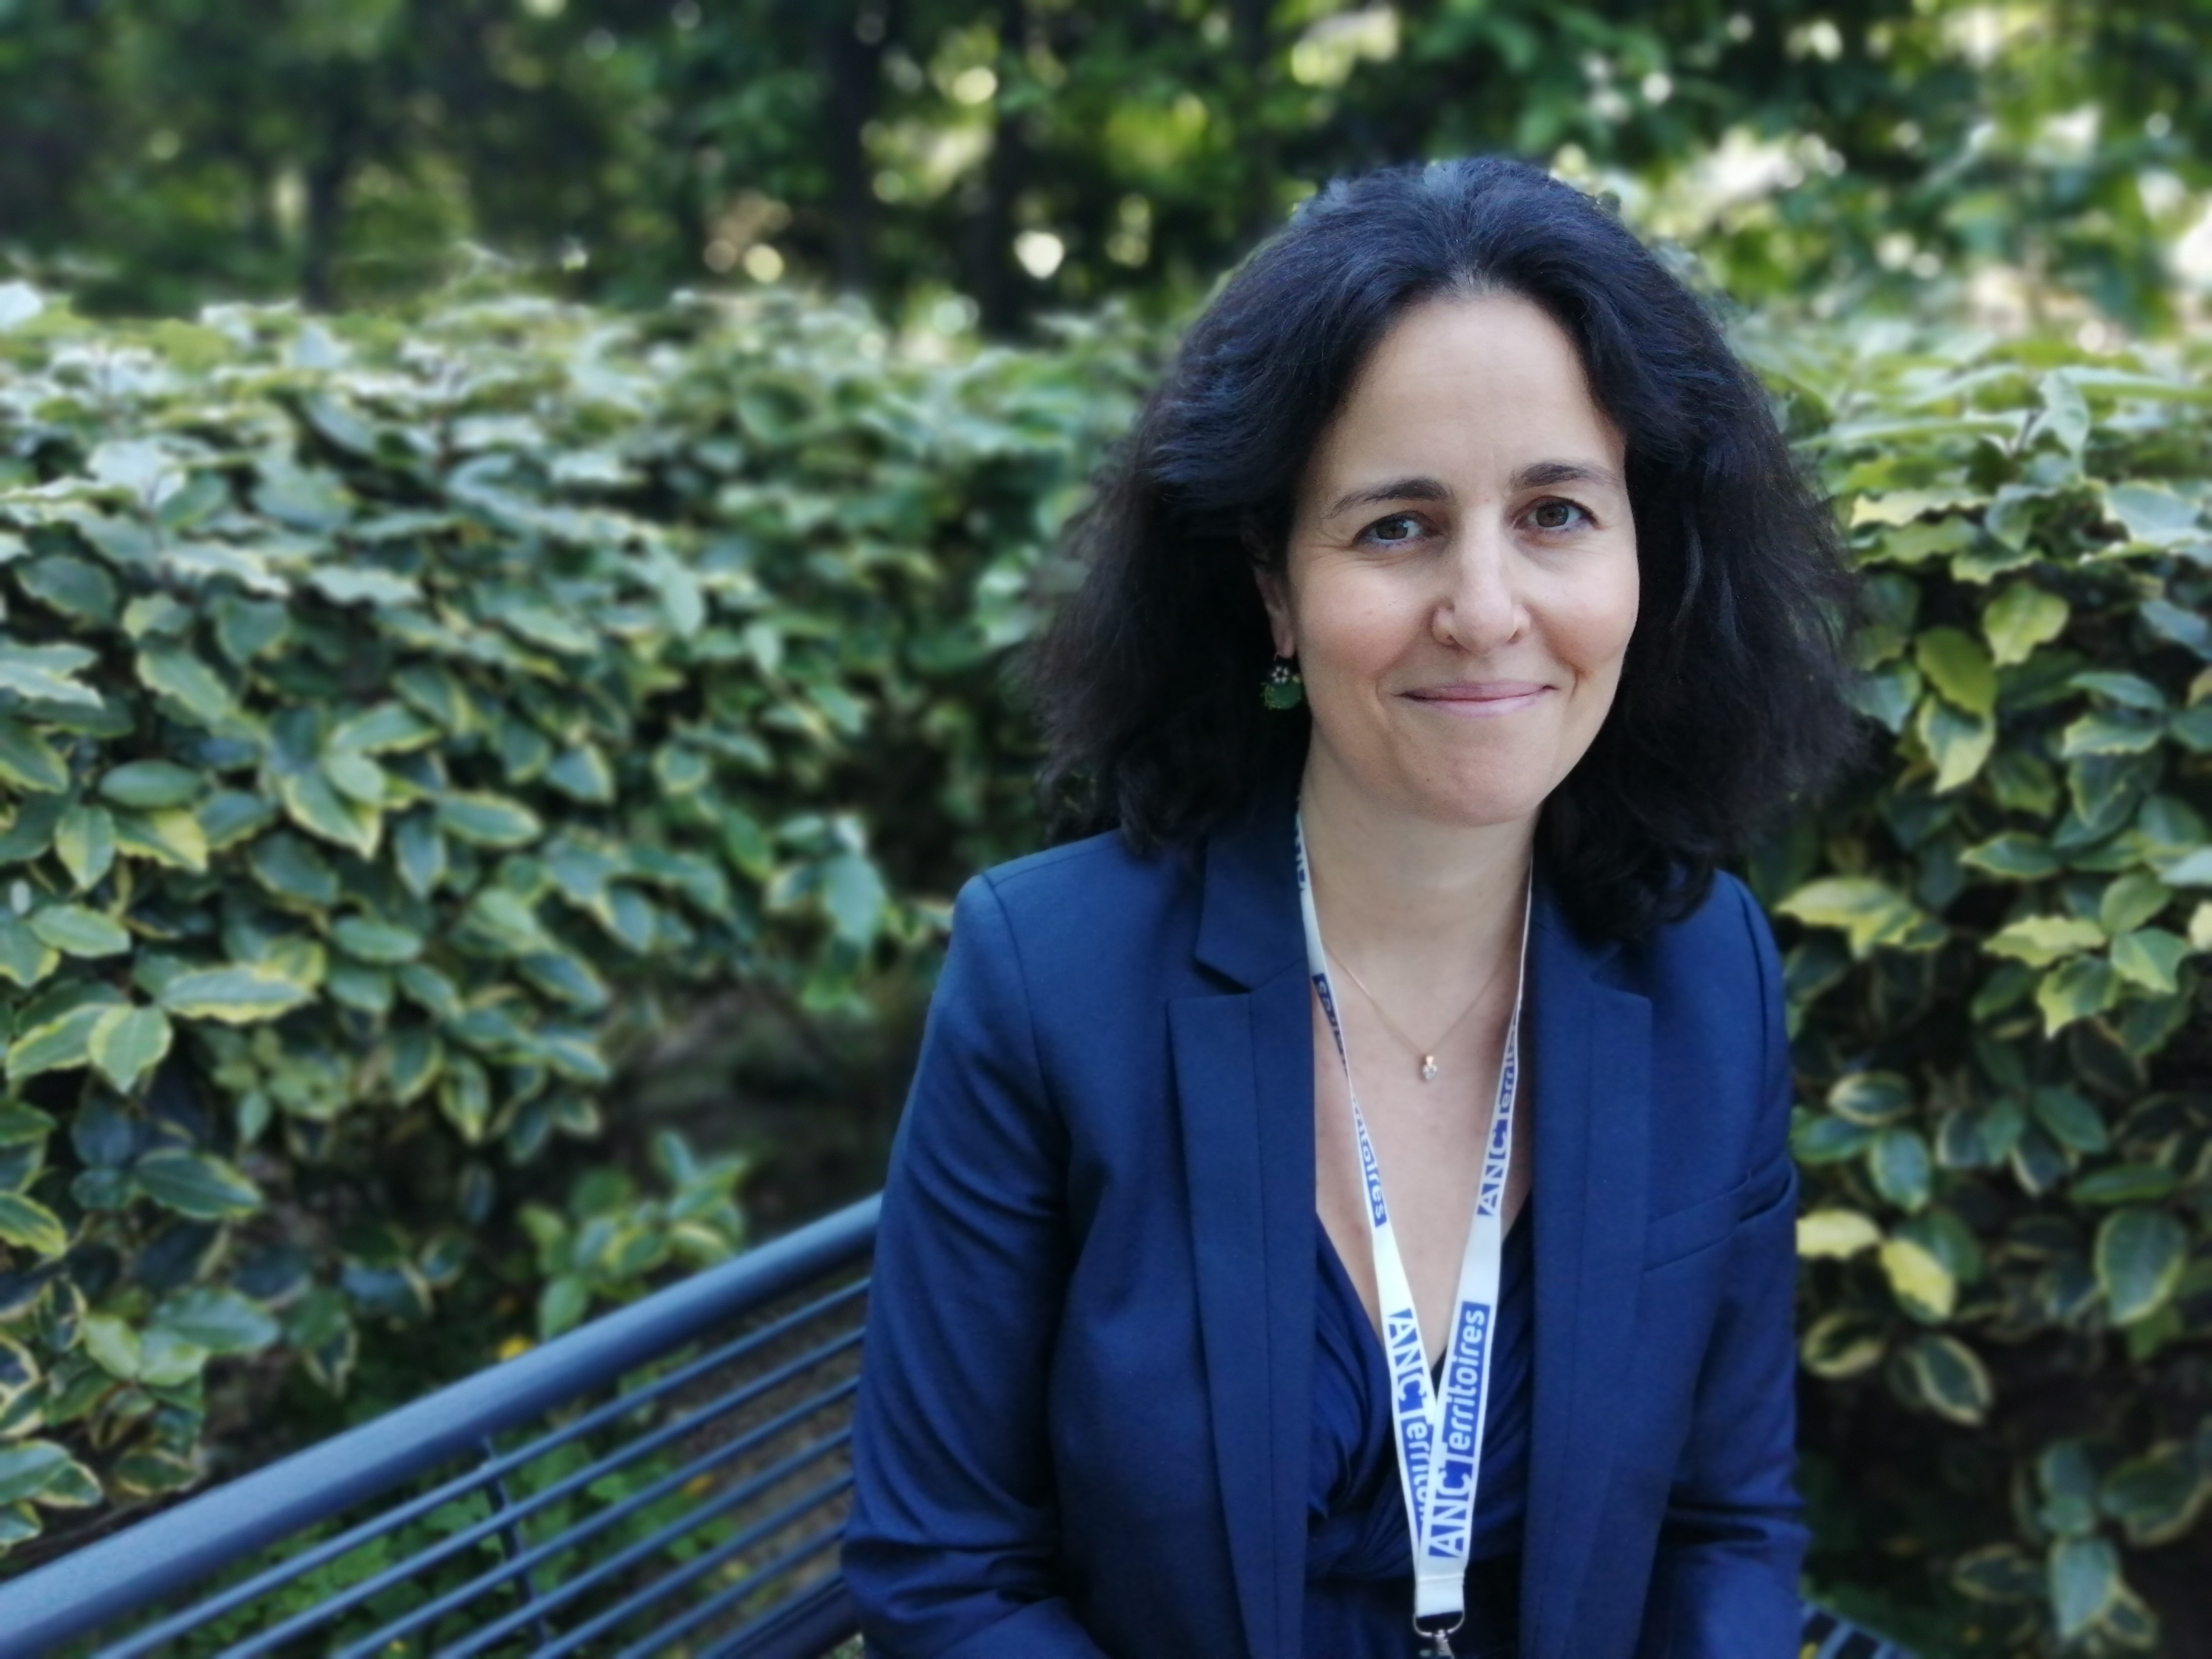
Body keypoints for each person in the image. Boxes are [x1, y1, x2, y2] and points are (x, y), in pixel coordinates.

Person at [843, 155, 1860, 1659]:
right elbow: (946, 1578)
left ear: (1647, 548)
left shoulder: (1709, 970)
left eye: (1558, 513)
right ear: (1271, 586)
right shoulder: (1050, 976)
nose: (1487, 608)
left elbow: (1725, 1527)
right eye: (1396, 526)